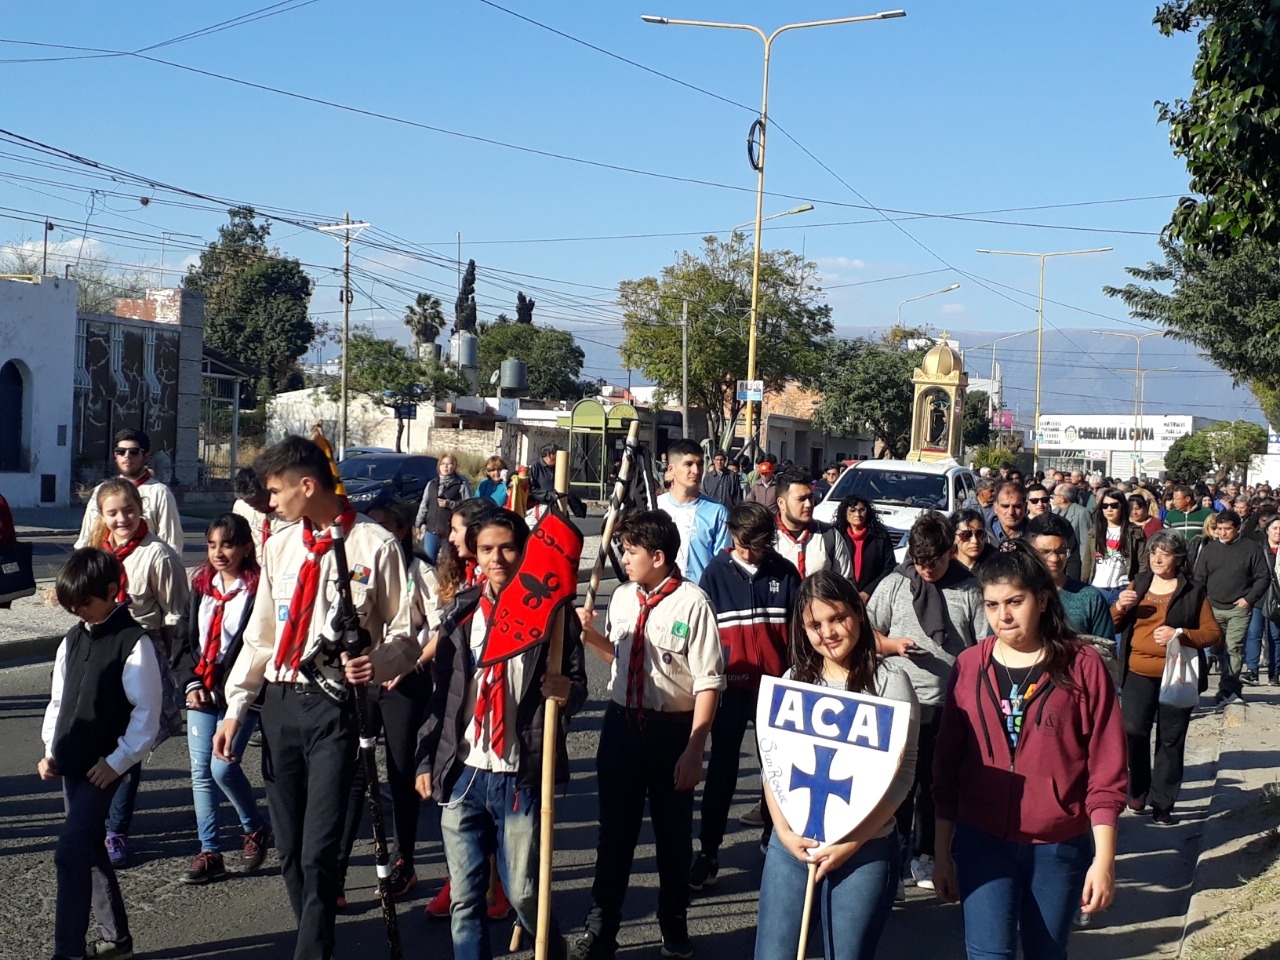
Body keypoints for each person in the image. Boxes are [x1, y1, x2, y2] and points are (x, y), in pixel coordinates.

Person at [213, 436, 419, 960]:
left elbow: (407, 632)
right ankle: (315, 933)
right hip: (280, 704)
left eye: (275, 491)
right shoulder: (280, 546)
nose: (270, 502)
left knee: (319, 848)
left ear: (306, 485)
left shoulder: (373, 545)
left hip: (335, 705)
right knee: (288, 848)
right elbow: (260, 636)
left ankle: (312, 951)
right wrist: (236, 708)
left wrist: (378, 663)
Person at [931, 539, 1127, 959]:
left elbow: (1107, 770)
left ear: (1041, 600)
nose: (1002, 615)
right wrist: (941, 853)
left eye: (1014, 602)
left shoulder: (1082, 665)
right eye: (992, 604)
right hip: (982, 839)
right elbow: (946, 767)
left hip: (1058, 844)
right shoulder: (969, 665)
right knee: (989, 954)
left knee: (1046, 953)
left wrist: (1104, 860)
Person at [415, 508, 588, 960]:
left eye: (508, 548)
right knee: (465, 897)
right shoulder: (462, 613)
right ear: (474, 553)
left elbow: (578, 685)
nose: (498, 558)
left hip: (519, 773)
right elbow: (441, 696)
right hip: (464, 771)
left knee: (524, 891)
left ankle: (550, 947)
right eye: (487, 549)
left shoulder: (553, 616)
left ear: (524, 550)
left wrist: (565, 691)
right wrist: (426, 759)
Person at [569, 510, 726, 960]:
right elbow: (618, 658)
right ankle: (601, 929)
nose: (624, 558)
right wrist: (588, 635)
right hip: (621, 726)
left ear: (658, 557)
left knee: (672, 838)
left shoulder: (693, 604)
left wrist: (695, 748)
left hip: (671, 731)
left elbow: (709, 682)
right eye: (622, 549)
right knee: (614, 836)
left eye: (631, 551)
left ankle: (673, 924)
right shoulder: (622, 597)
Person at [754, 571, 920, 960]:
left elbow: (905, 771)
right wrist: (783, 832)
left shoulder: (890, 682)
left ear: (858, 614)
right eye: (815, 624)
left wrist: (852, 841)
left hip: (865, 847)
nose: (828, 632)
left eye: (838, 618)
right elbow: (772, 761)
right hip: (791, 845)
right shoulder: (794, 680)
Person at [41, 549, 163, 960]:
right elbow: (59, 701)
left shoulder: (134, 642)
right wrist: (50, 750)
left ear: (112, 591)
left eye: (85, 603)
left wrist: (117, 762)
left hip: (105, 768)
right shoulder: (73, 638)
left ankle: (68, 951)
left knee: (70, 852)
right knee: (90, 849)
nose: (78, 611)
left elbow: (147, 714)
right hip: (72, 763)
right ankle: (117, 939)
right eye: (71, 606)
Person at [866, 514, 987, 896]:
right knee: (894, 784)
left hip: (947, 702)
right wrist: (892, 645)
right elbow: (867, 633)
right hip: (899, 701)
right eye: (919, 563)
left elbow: (985, 645)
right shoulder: (894, 584)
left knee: (935, 785)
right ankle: (893, 859)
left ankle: (926, 853)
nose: (926, 570)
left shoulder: (969, 589)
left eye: (933, 562)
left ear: (950, 552)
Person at [690, 502, 801, 891]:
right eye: (745, 545)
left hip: (777, 686)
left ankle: (774, 838)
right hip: (731, 688)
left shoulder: (784, 572)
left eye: (760, 546)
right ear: (733, 536)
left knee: (778, 768)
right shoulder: (714, 573)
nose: (752, 554)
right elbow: (701, 634)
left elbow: (800, 631)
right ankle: (708, 852)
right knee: (723, 768)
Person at [337, 497, 443, 906]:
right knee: (355, 773)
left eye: (384, 525)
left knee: (401, 772)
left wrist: (407, 662)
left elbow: (440, 628)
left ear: (402, 531)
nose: (375, 533)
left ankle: (404, 861)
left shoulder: (420, 571)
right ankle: (337, 868)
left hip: (403, 681)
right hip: (363, 680)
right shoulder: (357, 565)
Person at [86, 478, 188, 868]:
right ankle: (94, 820)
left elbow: (175, 616)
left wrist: (167, 667)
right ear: (102, 515)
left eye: (128, 510)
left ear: (140, 509)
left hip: (141, 653)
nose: (122, 519)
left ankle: (116, 830)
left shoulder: (157, 555)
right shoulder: (97, 551)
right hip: (101, 654)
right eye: (112, 512)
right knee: (98, 738)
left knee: (130, 745)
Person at [171, 512, 272, 885]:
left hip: (240, 695)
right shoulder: (201, 585)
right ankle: (209, 851)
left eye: (227, 545)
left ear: (245, 548)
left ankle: (254, 826)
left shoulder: (258, 590)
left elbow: (260, 646)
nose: (218, 553)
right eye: (212, 545)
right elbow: (183, 641)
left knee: (223, 768)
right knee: (201, 772)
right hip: (202, 692)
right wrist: (191, 683)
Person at [1111, 530, 1222, 824]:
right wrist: (1120, 606)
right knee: (1133, 731)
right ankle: (1138, 788)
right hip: (1137, 672)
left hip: (1176, 674)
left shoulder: (1192, 590)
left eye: (1165, 553)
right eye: (1153, 552)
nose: (1157, 558)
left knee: (1171, 739)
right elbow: (1113, 623)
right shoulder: (1139, 583)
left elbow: (1213, 633)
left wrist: (1180, 634)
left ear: (1179, 558)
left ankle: (1163, 803)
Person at [1191, 510, 1271, 706]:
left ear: (1238, 528)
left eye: (1227, 529)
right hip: (1213, 607)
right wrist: (1202, 602)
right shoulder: (1209, 550)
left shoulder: (1251, 548)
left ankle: (1228, 689)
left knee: (1234, 648)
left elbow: (1263, 577)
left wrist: (1248, 599)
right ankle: (1230, 685)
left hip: (1239, 608)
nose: (1223, 533)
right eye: (1219, 529)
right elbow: (1199, 578)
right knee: (1218, 650)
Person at [77, 429, 184, 556]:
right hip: (106, 563)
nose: (127, 456)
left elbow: (171, 543)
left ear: (146, 456)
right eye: (120, 451)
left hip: (144, 563)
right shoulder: (102, 491)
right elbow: (87, 538)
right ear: (115, 455)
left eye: (134, 451)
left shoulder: (159, 493)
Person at [1026, 514, 1115, 642]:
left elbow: (1106, 647)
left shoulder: (1089, 598)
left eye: (1061, 551)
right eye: (1045, 552)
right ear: (1029, 552)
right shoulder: (1016, 596)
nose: (1054, 559)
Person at [656, 438, 731, 585]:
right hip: (660, 593)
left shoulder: (717, 513)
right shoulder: (656, 507)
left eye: (700, 464)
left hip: (701, 592)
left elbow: (722, 566)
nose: (696, 471)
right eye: (688, 464)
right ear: (671, 469)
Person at [772, 470, 852, 579]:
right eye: (801, 499)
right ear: (781, 503)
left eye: (810, 497)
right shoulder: (767, 538)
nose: (809, 504)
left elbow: (845, 581)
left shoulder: (829, 535)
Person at [416, 453, 473, 564]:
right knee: (427, 563)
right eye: (443, 464)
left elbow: (468, 506)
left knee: (448, 564)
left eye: (449, 464)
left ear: (454, 466)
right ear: (439, 466)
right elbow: (424, 506)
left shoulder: (461, 485)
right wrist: (418, 524)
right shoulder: (432, 484)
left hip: (449, 532)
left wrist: (450, 504)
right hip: (431, 529)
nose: (446, 467)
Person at [839, 494, 898, 601]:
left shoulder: (880, 536)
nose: (857, 514)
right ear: (845, 513)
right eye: (852, 510)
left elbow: (889, 567)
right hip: (842, 595)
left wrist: (868, 592)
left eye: (862, 510)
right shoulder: (838, 536)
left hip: (874, 596)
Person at [1244, 515, 1280, 686]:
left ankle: (1275, 673)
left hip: (1277, 598)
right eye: (1275, 528)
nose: (1278, 532)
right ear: (1267, 530)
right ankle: (1252, 671)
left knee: (1276, 636)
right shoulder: (1258, 549)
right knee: (1254, 633)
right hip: (1259, 596)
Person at [232, 465, 293, 558]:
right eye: (251, 505)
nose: (257, 507)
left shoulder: (289, 510)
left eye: (259, 502)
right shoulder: (241, 507)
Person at [950, 508, 995, 573]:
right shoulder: (945, 566)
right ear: (953, 536)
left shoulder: (995, 564)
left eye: (980, 534)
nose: (975, 541)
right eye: (966, 535)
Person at [987, 481, 1027, 545]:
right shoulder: (982, 536)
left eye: (1016, 506)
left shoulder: (1037, 534)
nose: (1011, 512)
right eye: (1005, 506)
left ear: (1025, 506)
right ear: (995, 507)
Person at [528, 443, 561, 508]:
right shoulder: (535, 467)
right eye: (557, 455)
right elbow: (531, 490)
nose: (559, 458)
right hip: (539, 506)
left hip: (556, 505)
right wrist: (548, 495)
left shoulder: (558, 467)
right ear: (549, 455)